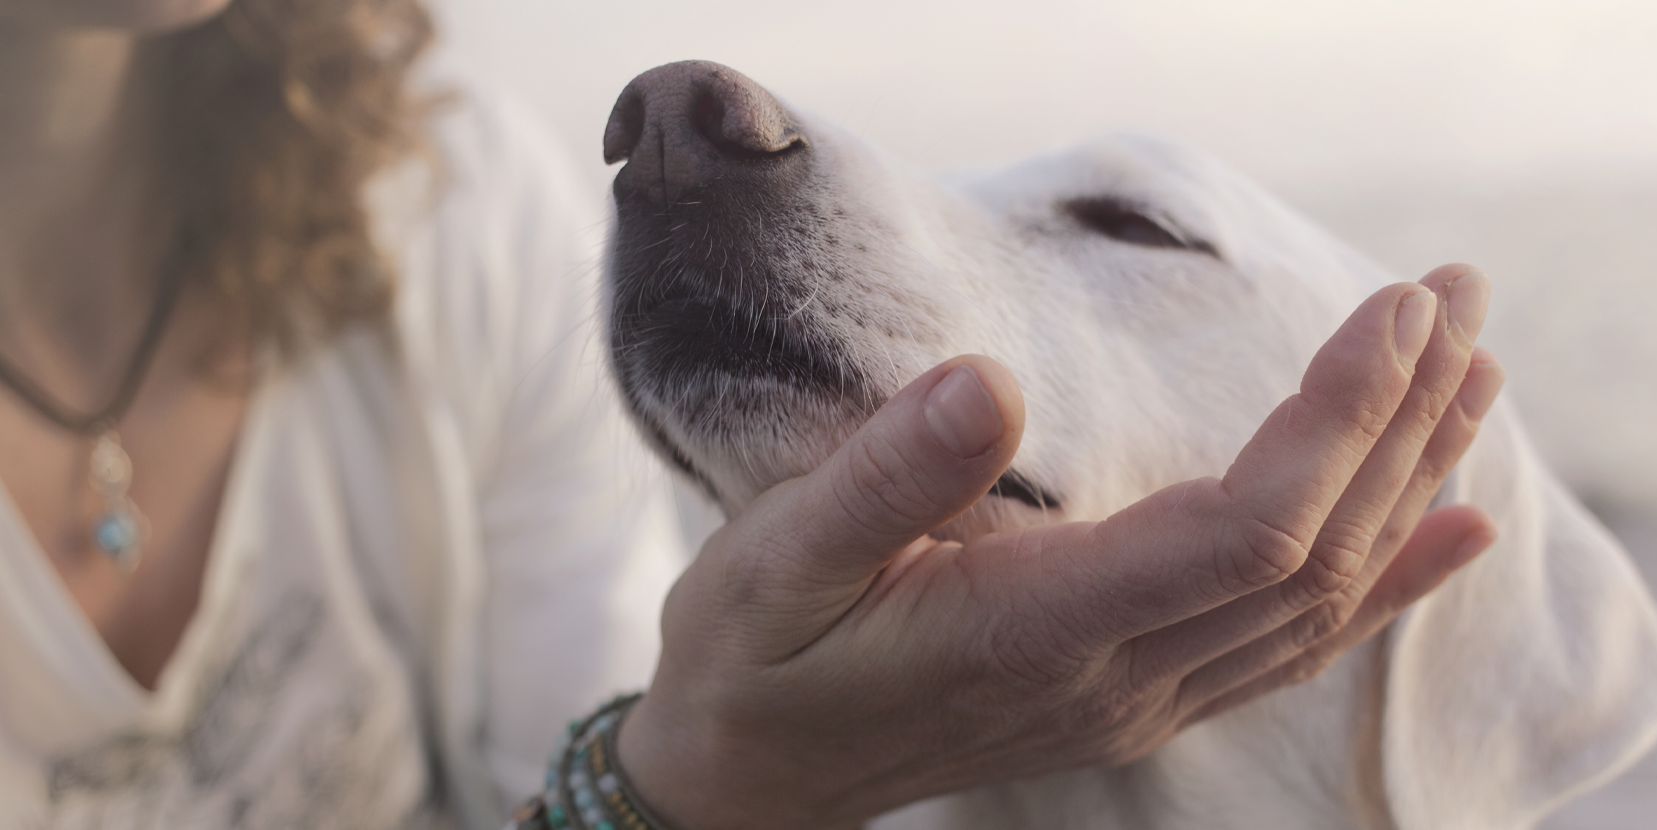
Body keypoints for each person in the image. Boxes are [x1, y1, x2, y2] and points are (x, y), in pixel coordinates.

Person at [0, 1, 1502, 828]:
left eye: (1126, 223)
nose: (691, 146)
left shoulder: (447, 208)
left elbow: (555, 745)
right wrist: (706, 789)